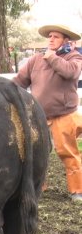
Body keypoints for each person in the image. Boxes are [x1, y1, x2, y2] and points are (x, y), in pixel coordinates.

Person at [13, 24, 82, 202]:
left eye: (56, 37)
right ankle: (38, 187)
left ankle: (77, 190)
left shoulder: (73, 56)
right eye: (49, 36)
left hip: (64, 115)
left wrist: (52, 57)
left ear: (66, 40)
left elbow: (71, 73)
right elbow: (20, 81)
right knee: (36, 153)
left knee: (68, 153)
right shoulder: (36, 59)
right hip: (39, 116)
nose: (51, 39)